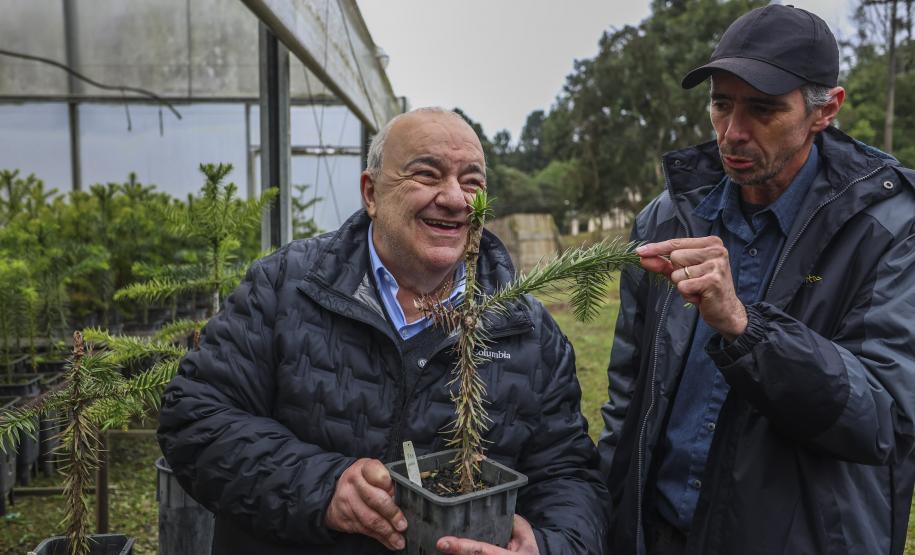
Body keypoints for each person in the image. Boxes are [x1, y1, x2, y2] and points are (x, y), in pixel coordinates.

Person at [158, 107, 608, 554]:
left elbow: (568, 475)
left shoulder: (527, 328)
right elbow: (196, 418)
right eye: (427, 175)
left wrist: (547, 547)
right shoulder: (286, 286)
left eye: (472, 182)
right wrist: (322, 487)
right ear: (371, 193)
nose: (454, 198)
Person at [599, 5, 915, 555]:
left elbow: (883, 419)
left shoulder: (888, 229)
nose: (733, 133)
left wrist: (746, 329)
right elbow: (630, 393)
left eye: (763, 109)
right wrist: (610, 509)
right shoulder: (667, 218)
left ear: (826, 110)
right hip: (660, 531)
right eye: (721, 104)